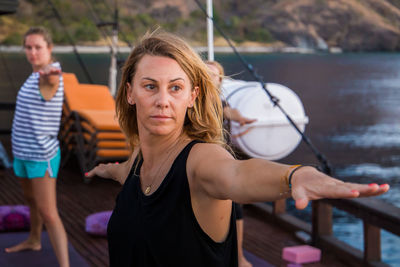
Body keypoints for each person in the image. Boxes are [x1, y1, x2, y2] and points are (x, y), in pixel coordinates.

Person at [86, 30, 389, 267]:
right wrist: (105, 170)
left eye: (175, 88)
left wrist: (295, 176)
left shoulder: (199, 159)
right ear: (129, 92)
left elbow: (237, 174)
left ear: (192, 96)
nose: (162, 100)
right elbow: (125, 171)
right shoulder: (139, 158)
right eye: (150, 86)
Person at [5, 27, 70, 267]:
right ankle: (34, 239)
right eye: (29, 47)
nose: (33, 52)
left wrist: (48, 76)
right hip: (23, 152)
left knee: (49, 213)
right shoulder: (33, 75)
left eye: (38, 47)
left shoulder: (50, 76)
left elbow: (50, 81)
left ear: (49, 49)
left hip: (41, 156)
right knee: (31, 201)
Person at [205, 60, 255, 267]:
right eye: (206, 73)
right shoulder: (190, 100)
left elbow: (229, 112)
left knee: (235, 208)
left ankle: (239, 257)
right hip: (200, 161)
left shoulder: (219, 101)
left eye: (214, 75)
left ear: (220, 80)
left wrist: (242, 118)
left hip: (222, 160)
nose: (210, 77)